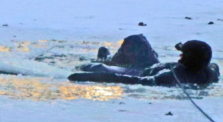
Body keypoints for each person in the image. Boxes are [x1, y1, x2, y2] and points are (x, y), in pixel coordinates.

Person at [69, 40, 219, 87]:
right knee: (137, 39)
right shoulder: (209, 73)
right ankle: (109, 59)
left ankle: (102, 61)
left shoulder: (170, 77)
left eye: (183, 53)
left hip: (142, 71)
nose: (179, 55)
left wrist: (90, 77)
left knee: (97, 67)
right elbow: (214, 67)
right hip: (152, 65)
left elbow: (132, 80)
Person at [76, 34, 160, 77]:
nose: (128, 54)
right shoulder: (122, 57)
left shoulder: (148, 65)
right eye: (125, 50)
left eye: (129, 50)